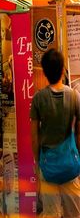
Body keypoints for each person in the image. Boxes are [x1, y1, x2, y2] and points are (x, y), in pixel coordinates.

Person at [31, 48, 80, 218]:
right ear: (62, 70)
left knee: (51, 214)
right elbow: (79, 134)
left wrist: (38, 163)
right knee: (74, 214)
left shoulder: (38, 99)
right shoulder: (75, 96)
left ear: (44, 72)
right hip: (70, 166)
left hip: (48, 166)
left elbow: (34, 137)